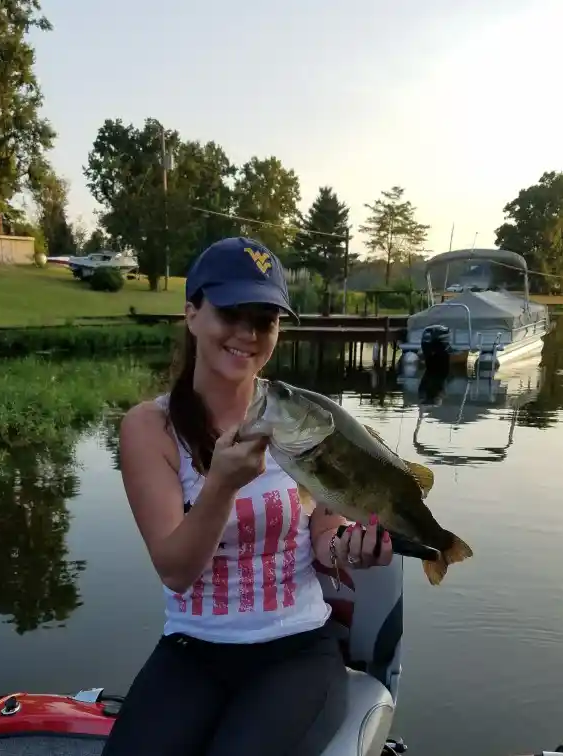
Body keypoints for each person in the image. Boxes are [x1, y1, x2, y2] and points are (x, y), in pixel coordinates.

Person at [102, 236, 393, 756]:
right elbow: (175, 571)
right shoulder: (151, 428)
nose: (248, 334)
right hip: (193, 648)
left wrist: (347, 548)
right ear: (191, 313)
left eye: (265, 319)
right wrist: (220, 484)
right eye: (232, 313)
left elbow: (324, 536)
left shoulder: (305, 418)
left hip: (297, 648)